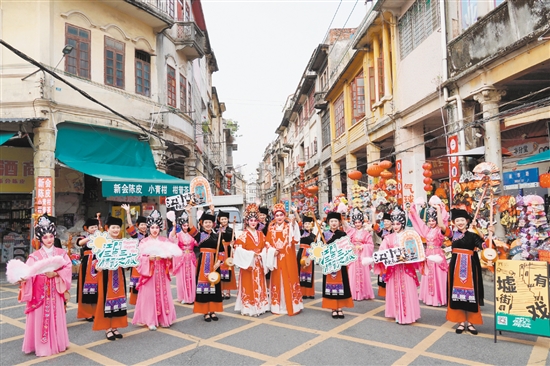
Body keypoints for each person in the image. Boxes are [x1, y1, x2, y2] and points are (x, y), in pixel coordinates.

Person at [19, 214, 71, 357]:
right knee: (40, 317)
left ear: (54, 236)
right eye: (45, 237)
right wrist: (23, 278)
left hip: (55, 289)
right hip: (39, 291)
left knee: (56, 315)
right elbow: (28, 272)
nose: (49, 240)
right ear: (40, 239)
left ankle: (58, 343)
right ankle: (42, 346)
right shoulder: (34, 256)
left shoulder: (61, 253)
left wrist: (55, 274)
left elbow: (67, 268)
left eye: (51, 236)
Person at [132, 210, 180, 330]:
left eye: (157, 227)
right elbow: (138, 258)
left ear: (160, 228)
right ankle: (150, 320)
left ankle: (164, 318)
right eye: (152, 227)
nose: (154, 229)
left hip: (162, 271)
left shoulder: (164, 241)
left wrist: (168, 257)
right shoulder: (144, 241)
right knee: (149, 295)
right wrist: (148, 258)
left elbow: (171, 253)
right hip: (150, 272)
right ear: (149, 228)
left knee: (163, 293)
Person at [374, 208, 422, 324]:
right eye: (394, 223)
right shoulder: (388, 238)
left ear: (403, 223)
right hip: (393, 269)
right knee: (394, 290)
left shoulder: (409, 236)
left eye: (398, 223)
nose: (395, 226)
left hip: (406, 269)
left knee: (408, 290)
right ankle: (396, 313)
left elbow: (414, 253)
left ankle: (408, 314)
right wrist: (376, 258)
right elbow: (382, 252)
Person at [447, 208, 486, 335]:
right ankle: (460, 321)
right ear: (454, 222)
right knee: (456, 294)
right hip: (455, 267)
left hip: (471, 267)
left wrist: (483, 232)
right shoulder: (453, 235)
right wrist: (438, 208)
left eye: (462, 220)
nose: (460, 222)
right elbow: (442, 226)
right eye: (457, 220)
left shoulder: (473, 235)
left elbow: (485, 246)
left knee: (472, 294)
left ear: (467, 221)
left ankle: (471, 322)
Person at [92, 216, 128, 340]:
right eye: (113, 227)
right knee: (105, 300)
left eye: (118, 227)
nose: (116, 230)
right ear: (108, 229)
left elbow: (126, 259)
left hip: (118, 274)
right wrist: (97, 266)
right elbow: (95, 259)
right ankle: (107, 328)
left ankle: (115, 327)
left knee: (118, 300)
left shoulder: (121, 242)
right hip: (106, 276)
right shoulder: (102, 242)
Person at [188, 207, 227, 322]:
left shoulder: (217, 236)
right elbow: (190, 228)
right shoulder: (200, 235)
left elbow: (221, 251)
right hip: (203, 263)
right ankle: (205, 312)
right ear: (202, 223)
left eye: (210, 222)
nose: (208, 224)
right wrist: (190, 214)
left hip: (214, 264)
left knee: (214, 286)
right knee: (203, 287)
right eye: (206, 222)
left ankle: (213, 311)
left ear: (213, 224)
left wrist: (219, 262)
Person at [265, 203, 304, 316]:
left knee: (289, 278)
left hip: (288, 257)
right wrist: (272, 250)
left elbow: (295, 233)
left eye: (281, 215)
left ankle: (292, 305)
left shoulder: (288, 227)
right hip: (276, 257)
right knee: (277, 280)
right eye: (277, 215)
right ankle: (278, 306)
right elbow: (267, 242)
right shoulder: (271, 228)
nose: (279, 217)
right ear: (274, 216)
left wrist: (295, 215)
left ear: (284, 215)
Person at [233, 203, 270, 316]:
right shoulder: (243, 235)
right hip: (249, 264)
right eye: (251, 220)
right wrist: (251, 254)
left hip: (259, 263)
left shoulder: (260, 234)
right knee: (249, 285)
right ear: (247, 222)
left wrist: (262, 253)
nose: (253, 222)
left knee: (260, 284)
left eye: (255, 220)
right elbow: (237, 249)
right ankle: (249, 307)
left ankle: (261, 306)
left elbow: (266, 246)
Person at [409, 203, 449, 306]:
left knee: (438, 277)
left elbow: (442, 224)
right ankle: (429, 298)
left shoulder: (440, 230)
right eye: (429, 220)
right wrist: (413, 210)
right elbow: (419, 223)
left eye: (433, 220)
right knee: (428, 276)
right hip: (428, 255)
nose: (431, 222)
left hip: (437, 255)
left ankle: (439, 299)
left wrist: (439, 210)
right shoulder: (428, 230)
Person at [322, 212, 354, 319]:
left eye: (336, 221)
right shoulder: (324, 235)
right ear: (328, 223)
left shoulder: (343, 234)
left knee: (342, 285)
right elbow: (320, 250)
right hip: (329, 264)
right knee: (330, 285)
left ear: (339, 222)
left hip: (340, 263)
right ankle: (333, 308)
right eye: (331, 221)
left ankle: (339, 307)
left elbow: (347, 248)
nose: (334, 223)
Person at [343, 208, 375, 301]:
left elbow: (370, 245)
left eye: (359, 222)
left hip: (362, 256)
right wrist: (351, 246)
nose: (357, 224)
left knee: (363, 274)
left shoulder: (366, 233)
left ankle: (364, 293)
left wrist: (363, 247)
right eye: (355, 222)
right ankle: (353, 293)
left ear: (362, 222)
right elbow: (347, 241)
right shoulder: (352, 232)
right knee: (352, 273)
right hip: (353, 255)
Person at [121, 204, 147, 306]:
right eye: (141, 225)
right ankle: (137, 302)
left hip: (148, 262)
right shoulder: (136, 235)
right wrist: (128, 212)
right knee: (137, 283)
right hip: (137, 262)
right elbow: (130, 224)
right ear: (138, 226)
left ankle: (146, 301)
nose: (144, 226)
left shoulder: (149, 235)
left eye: (145, 224)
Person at [170, 211, 198, 304]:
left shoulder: (192, 234)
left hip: (191, 257)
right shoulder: (178, 235)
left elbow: (197, 243)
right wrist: (174, 227)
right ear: (181, 226)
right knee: (181, 278)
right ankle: (183, 296)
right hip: (181, 258)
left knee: (191, 277)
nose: (186, 227)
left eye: (187, 225)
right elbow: (172, 238)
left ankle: (191, 296)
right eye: (184, 225)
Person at [76, 216, 100, 321]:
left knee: (98, 289)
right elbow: (79, 243)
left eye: (95, 227)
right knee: (85, 288)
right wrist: (91, 237)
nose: (94, 229)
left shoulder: (101, 238)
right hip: (87, 264)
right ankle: (87, 313)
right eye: (92, 227)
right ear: (87, 229)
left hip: (98, 263)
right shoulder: (83, 237)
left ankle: (96, 312)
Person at [217, 210, 237, 300]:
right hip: (220, 251)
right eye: (222, 219)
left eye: (225, 219)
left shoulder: (231, 229)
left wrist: (233, 242)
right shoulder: (217, 229)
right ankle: (221, 291)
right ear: (219, 220)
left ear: (228, 219)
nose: (224, 220)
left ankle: (228, 291)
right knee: (220, 271)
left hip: (228, 251)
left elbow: (235, 240)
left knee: (228, 271)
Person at [296, 215, 316, 299]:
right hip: (301, 253)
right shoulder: (301, 232)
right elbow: (299, 221)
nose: (307, 225)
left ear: (312, 225)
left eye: (308, 223)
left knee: (310, 273)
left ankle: (310, 293)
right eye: (305, 224)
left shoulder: (314, 236)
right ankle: (302, 292)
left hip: (310, 254)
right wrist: (296, 212)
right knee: (301, 273)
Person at [373, 211, 392, 298]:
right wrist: (373, 213)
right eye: (384, 221)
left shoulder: (395, 230)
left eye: (388, 221)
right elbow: (375, 227)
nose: (386, 223)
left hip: (392, 255)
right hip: (383, 254)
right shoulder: (383, 231)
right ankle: (385, 293)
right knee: (383, 272)